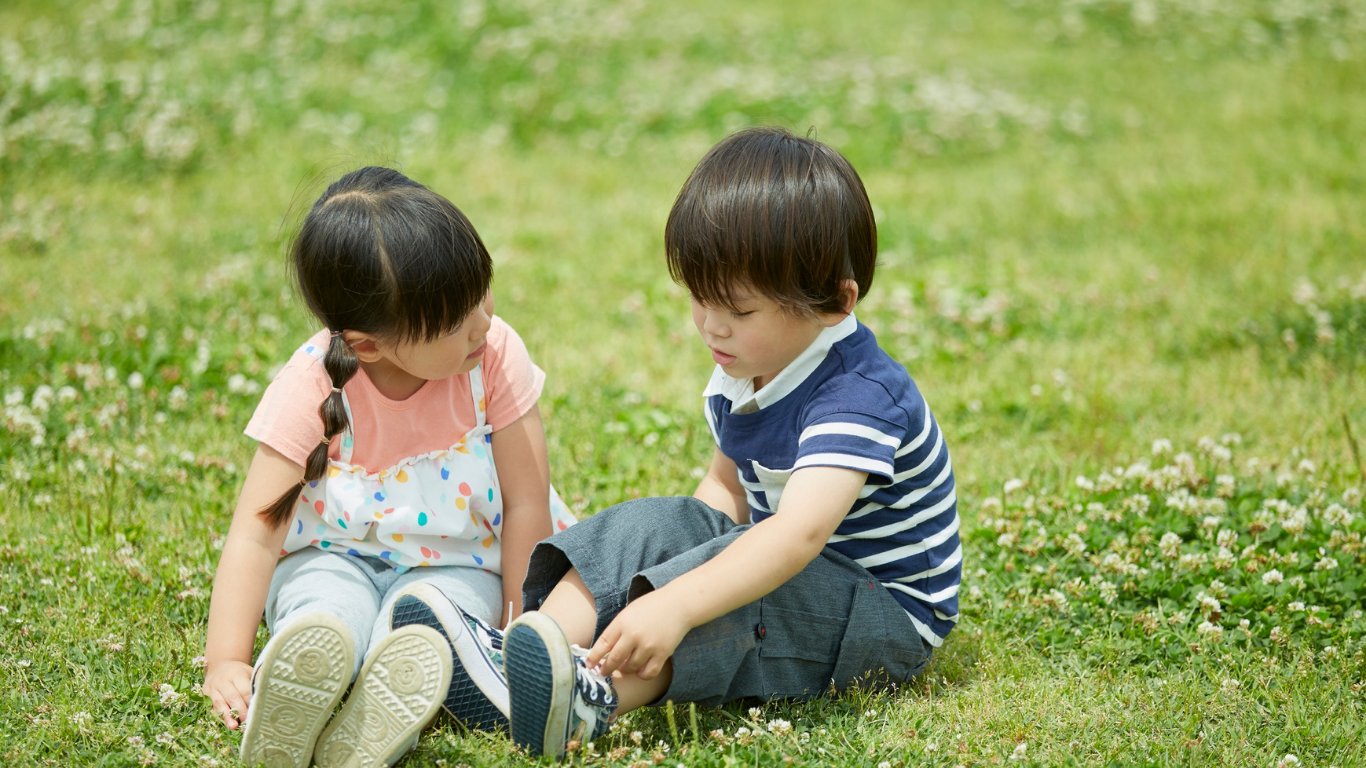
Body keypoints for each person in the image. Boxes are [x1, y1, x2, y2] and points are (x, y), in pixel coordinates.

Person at [499, 126, 963, 757]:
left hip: (881, 615)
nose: (712, 327)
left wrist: (676, 602)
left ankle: (590, 699)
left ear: (835, 302)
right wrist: (673, 558)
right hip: (791, 568)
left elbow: (795, 537)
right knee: (657, 522)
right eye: (700, 298)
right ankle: (529, 652)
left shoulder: (857, 396)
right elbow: (724, 488)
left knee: (728, 605)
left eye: (740, 311)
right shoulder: (748, 366)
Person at [200, 167, 576, 768]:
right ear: (368, 344)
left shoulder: (493, 355)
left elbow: (526, 502)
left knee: (427, 619)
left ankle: (382, 697)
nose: (483, 321)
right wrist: (226, 660)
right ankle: (299, 679)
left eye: (482, 292)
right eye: (456, 320)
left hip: (458, 561)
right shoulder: (312, 383)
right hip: (333, 554)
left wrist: (513, 634)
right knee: (325, 612)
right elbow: (256, 532)